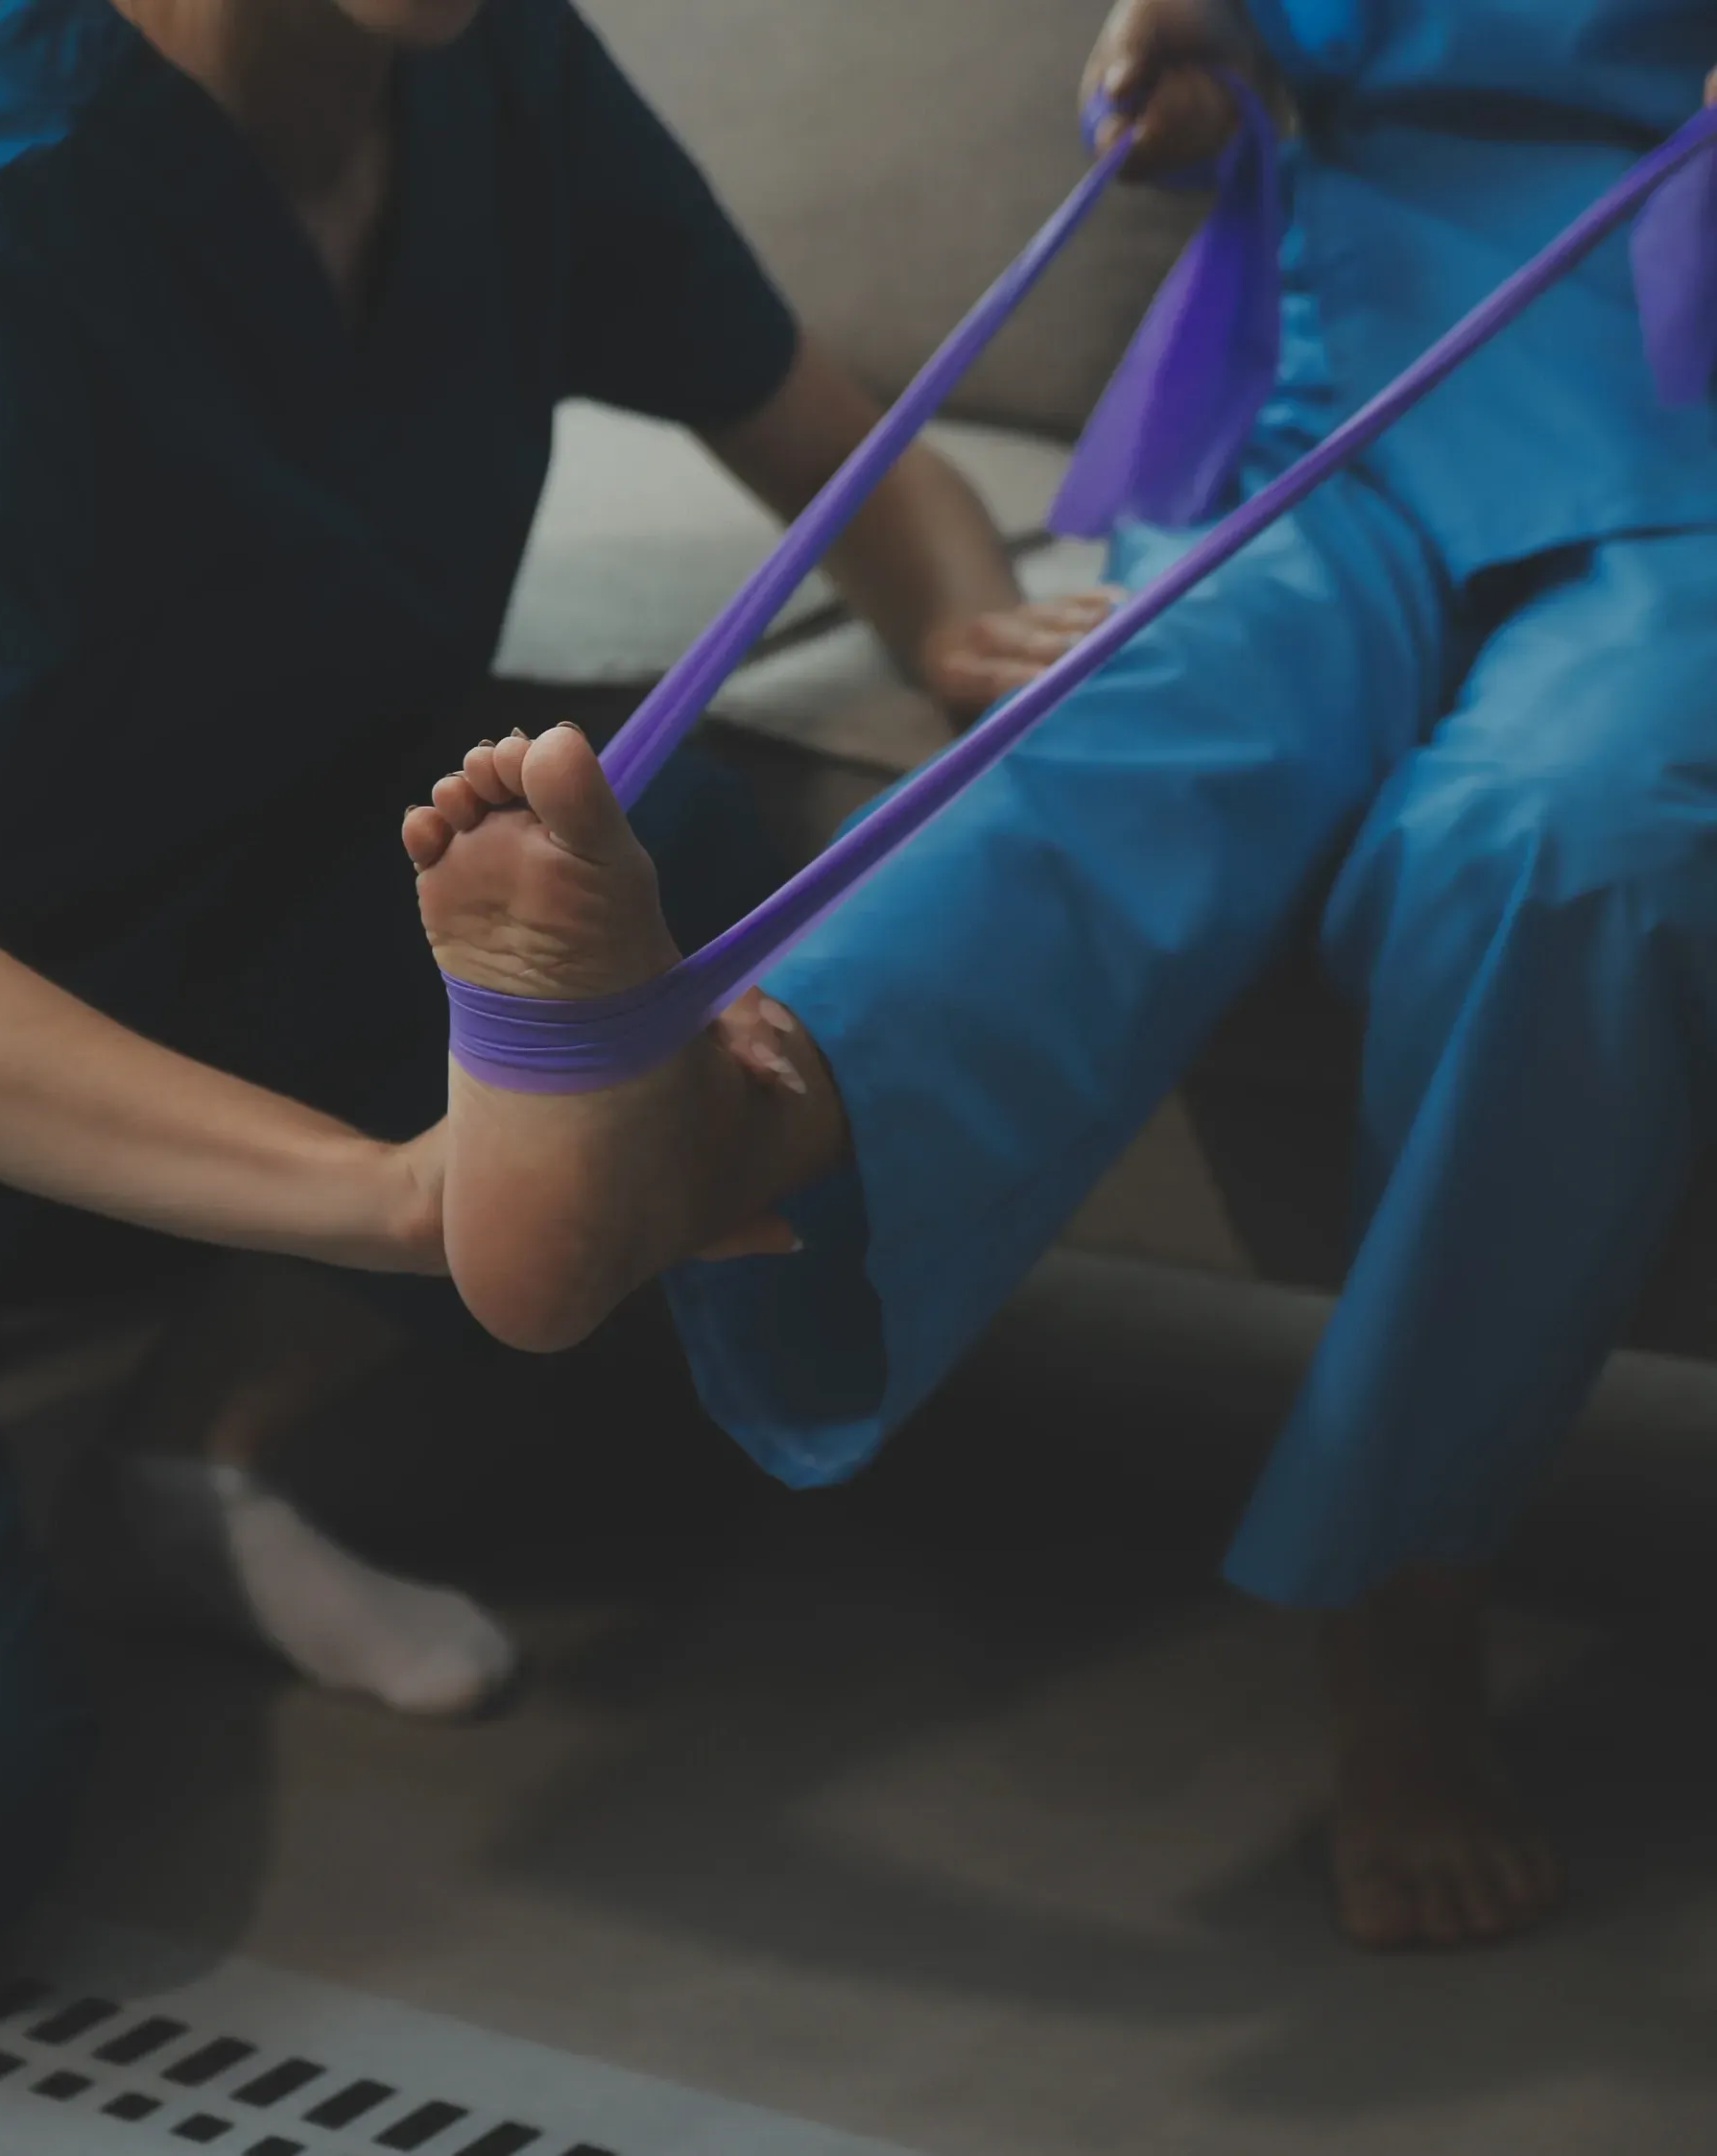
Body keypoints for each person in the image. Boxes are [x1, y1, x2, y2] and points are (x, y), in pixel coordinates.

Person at [406, 0, 1717, 1953]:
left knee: (1558, 851)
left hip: (1689, 433)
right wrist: (1186, 83)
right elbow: (1246, 57)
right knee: (1146, 702)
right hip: (1354, 375)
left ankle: (1406, 1585)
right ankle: (735, 1123)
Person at [0, 0, 1110, 1976]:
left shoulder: (501, 75)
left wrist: (974, 636)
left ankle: (193, 1453)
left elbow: (851, 456)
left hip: (184, 940)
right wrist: (407, 1196)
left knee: (693, 851)